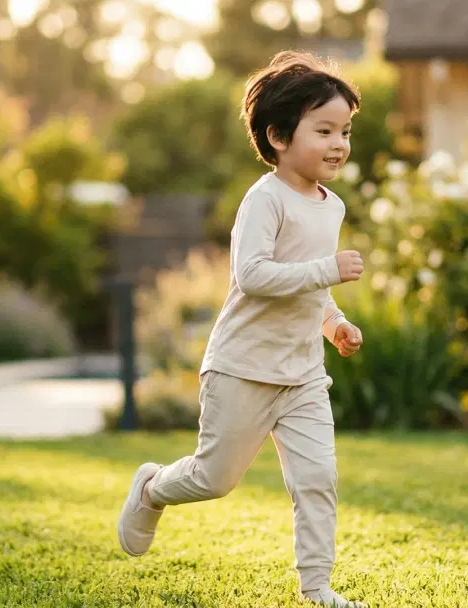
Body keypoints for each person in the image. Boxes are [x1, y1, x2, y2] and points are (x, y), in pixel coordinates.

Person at [116, 51, 368, 608]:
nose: (339, 143)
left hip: (301, 375)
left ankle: (317, 587)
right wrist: (329, 269)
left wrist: (335, 324)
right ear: (278, 136)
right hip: (242, 368)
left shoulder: (332, 207)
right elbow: (252, 276)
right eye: (323, 129)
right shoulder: (264, 199)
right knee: (214, 479)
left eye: (345, 130)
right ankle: (153, 487)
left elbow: (310, 288)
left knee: (317, 479)